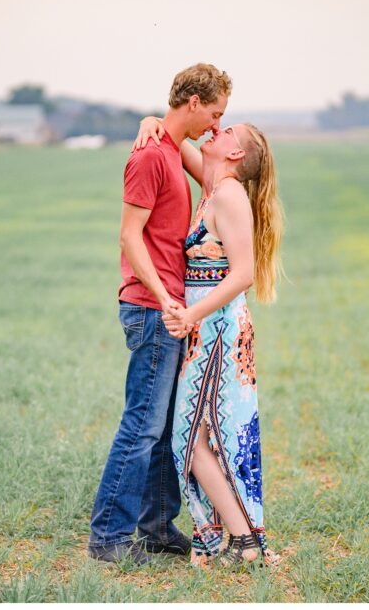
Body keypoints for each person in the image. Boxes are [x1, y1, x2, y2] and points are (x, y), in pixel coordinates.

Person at [88, 64, 232, 565]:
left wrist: (150, 118)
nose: (216, 126)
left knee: (165, 424)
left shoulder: (169, 149)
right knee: (143, 425)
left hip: (170, 308)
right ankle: (108, 537)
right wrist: (167, 298)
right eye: (214, 113)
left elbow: (216, 175)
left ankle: (154, 527)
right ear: (193, 101)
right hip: (152, 307)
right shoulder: (150, 156)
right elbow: (130, 236)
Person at [133, 116, 284, 568]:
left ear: (235, 154)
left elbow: (243, 273)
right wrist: (153, 120)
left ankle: (241, 541)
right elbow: (176, 135)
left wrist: (190, 315)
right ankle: (236, 539)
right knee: (199, 437)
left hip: (218, 329)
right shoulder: (215, 184)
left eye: (226, 133)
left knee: (191, 437)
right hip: (204, 327)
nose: (216, 132)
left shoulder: (232, 196)